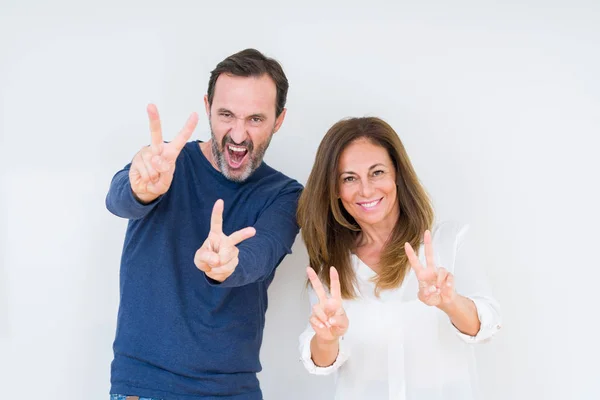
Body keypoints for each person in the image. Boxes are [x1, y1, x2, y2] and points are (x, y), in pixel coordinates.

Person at [105, 48, 303, 400]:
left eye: (255, 119)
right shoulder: (164, 163)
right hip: (146, 387)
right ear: (208, 106)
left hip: (233, 391)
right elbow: (118, 199)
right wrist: (141, 190)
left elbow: (261, 253)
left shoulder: (284, 195)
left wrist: (228, 263)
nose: (239, 135)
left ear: (279, 119)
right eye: (226, 114)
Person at [297, 117, 502, 400]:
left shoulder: (448, 242)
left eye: (377, 172)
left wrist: (450, 302)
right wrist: (327, 337)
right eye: (349, 178)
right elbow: (321, 362)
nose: (366, 190)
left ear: (397, 175)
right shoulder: (329, 273)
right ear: (335, 190)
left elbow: (486, 325)